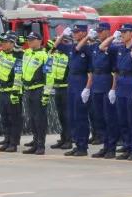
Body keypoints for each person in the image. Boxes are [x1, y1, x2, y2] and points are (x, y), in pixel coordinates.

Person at [111, 24, 132, 161]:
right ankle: (126, 146)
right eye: (122, 32)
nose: (122, 34)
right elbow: (116, 71)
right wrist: (113, 89)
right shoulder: (120, 49)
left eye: (125, 32)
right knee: (123, 119)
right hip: (121, 84)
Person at [20, 32, 54, 155]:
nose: (29, 42)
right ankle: (34, 143)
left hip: (39, 90)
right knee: (32, 118)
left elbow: (49, 76)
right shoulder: (27, 53)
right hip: (28, 89)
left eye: (32, 40)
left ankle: (41, 145)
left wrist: (46, 93)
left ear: (39, 41)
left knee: (40, 119)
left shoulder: (45, 56)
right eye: (28, 40)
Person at [89, 22, 119, 159]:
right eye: (98, 31)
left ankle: (111, 147)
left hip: (107, 81)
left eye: (101, 31)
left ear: (108, 32)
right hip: (96, 83)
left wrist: (113, 88)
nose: (99, 33)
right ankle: (105, 146)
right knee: (99, 118)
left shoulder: (113, 48)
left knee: (109, 118)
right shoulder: (95, 46)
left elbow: (115, 71)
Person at [0, 32, 22, 153]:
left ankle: (13, 143)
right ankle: (7, 140)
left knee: (13, 118)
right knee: (4, 118)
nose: (2, 44)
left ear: (12, 43)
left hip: (12, 91)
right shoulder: (0, 53)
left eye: (5, 42)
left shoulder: (19, 55)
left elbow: (19, 75)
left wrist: (15, 91)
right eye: (1, 42)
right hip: (1, 91)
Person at [65, 24, 94, 157]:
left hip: (81, 82)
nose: (74, 34)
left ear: (83, 33)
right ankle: (77, 144)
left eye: (77, 32)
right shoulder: (73, 47)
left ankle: (82, 146)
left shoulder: (88, 49)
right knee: (72, 116)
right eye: (74, 32)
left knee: (80, 116)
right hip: (72, 81)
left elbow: (90, 72)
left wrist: (87, 88)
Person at [48, 30, 72, 151]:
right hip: (57, 88)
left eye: (63, 41)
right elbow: (53, 47)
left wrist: (62, 37)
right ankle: (63, 138)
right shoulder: (55, 54)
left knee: (67, 116)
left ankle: (69, 140)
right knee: (61, 116)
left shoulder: (69, 53)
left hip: (66, 88)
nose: (58, 44)